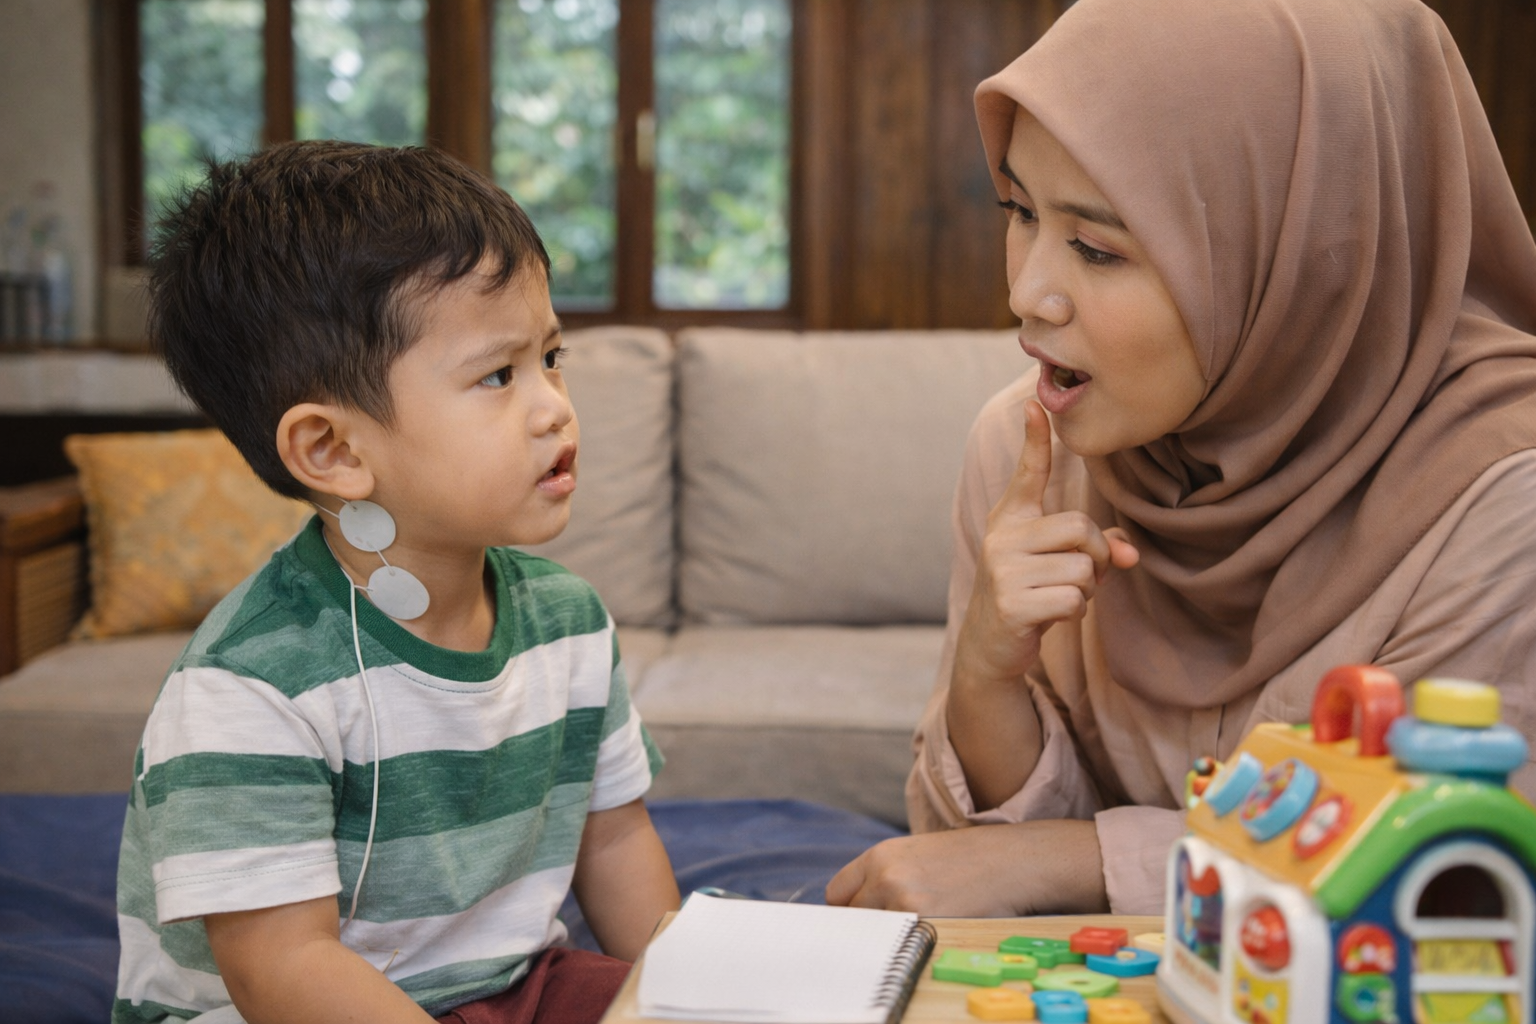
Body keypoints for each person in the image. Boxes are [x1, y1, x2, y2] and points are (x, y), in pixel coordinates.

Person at [827, 0, 1536, 917]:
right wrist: (985, 679)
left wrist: (1081, 860)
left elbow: (1446, 875)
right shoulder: (1028, 447)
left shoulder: (1502, 493)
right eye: (1019, 211)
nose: (1028, 293)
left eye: (1096, 249)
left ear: (1304, 256)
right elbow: (967, 883)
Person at [112, 141, 679, 1024]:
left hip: (508, 985)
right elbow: (282, 968)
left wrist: (690, 994)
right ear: (333, 450)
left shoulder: (567, 620)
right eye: (499, 374)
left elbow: (615, 842)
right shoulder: (250, 685)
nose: (554, 407)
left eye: (552, 356)